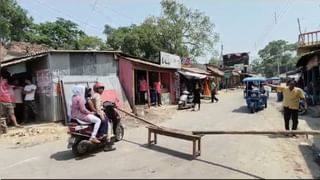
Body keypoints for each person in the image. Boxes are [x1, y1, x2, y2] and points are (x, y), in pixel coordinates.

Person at [92, 82, 116, 151]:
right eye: (100, 88)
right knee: (108, 125)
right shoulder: (98, 96)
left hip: (94, 113)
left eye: (102, 88)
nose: (102, 90)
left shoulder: (94, 95)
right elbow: (98, 107)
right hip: (99, 113)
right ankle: (108, 145)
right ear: (96, 89)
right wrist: (102, 116)